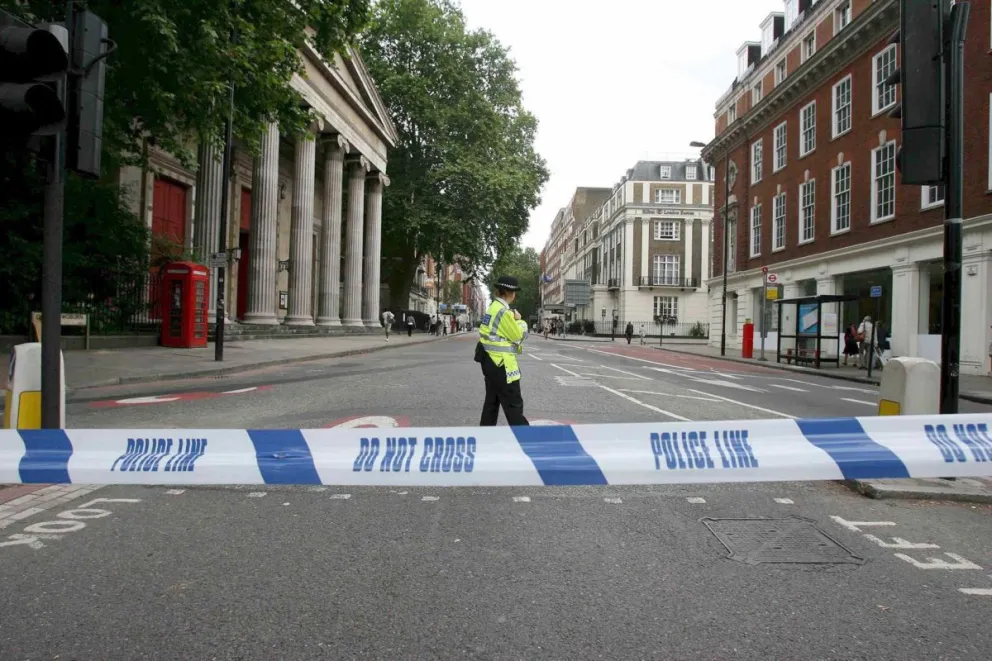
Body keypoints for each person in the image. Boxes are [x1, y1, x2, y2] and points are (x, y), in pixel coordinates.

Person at [476, 275, 529, 426]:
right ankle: (525, 437)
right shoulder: (503, 312)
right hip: (502, 364)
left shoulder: (493, 308)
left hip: (489, 361)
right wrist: (519, 320)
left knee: (491, 404)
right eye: (514, 292)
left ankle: (485, 436)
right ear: (509, 293)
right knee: (513, 405)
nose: (515, 295)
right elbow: (518, 336)